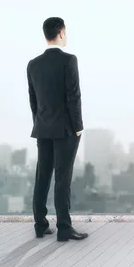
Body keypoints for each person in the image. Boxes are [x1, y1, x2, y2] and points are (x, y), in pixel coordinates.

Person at [27, 17, 88, 242]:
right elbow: (74, 96)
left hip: (42, 128)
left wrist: (39, 122)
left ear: (46, 34)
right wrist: (78, 126)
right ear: (61, 33)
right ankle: (64, 228)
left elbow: (33, 100)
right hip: (65, 129)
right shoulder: (69, 60)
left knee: (42, 176)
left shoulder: (33, 64)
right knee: (63, 177)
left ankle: (40, 225)